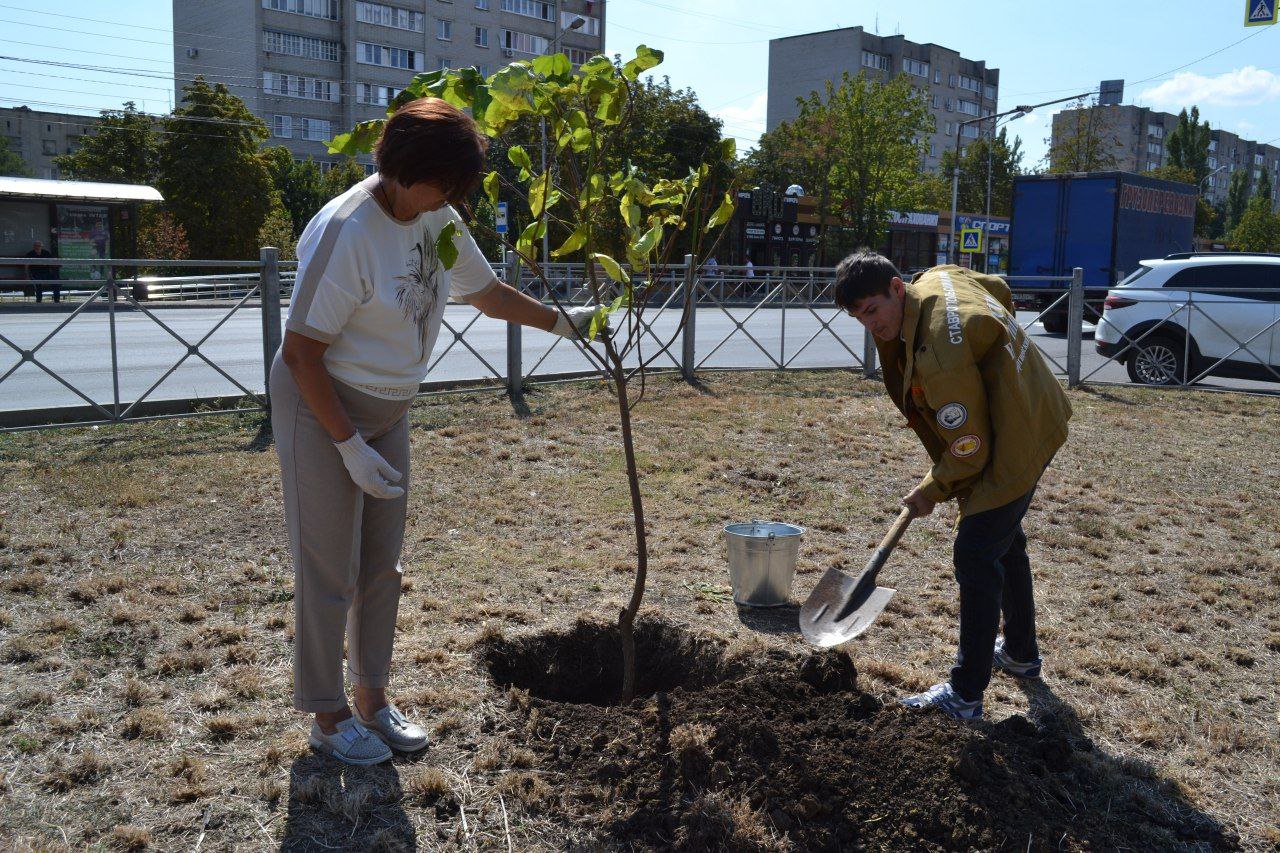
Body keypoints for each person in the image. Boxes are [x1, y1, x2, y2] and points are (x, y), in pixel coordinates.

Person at [272, 97, 603, 765]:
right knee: (328, 566)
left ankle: (372, 698)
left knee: (381, 566)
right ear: (400, 169)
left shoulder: (437, 216)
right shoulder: (348, 232)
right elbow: (301, 352)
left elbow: (484, 294)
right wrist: (345, 444)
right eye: (443, 183)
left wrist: (563, 321)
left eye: (457, 187)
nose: (452, 197)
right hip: (321, 403)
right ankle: (328, 714)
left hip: (389, 410)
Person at [833, 252, 1071, 721]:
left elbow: (971, 447)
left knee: (976, 552)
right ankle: (1020, 652)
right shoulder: (938, 278)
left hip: (1016, 437)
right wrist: (993, 363)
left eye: (873, 310)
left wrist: (931, 489)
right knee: (1005, 541)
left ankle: (964, 695)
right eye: (859, 317)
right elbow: (997, 288)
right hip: (1038, 405)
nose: (869, 325)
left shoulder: (939, 353)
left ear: (897, 288)